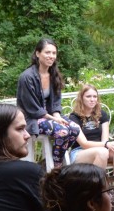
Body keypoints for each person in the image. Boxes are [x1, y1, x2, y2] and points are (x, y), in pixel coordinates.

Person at [16, 38, 81, 167]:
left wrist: (57, 115)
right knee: (62, 131)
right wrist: (53, 118)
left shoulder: (53, 74)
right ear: (37, 53)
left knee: (75, 129)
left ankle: (51, 161)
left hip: (50, 116)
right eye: (47, 52)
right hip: (32, 118)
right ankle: (57, 167)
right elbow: (32, 108)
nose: (51, 56)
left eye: (54, 53)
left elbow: (56, 101)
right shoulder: (27, 77)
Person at [68, 85, 114, 188]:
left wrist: (107, 144)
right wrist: (106, 144)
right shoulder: (74, 117)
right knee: (102, 152)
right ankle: (99, 190)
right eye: (88, 96)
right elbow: (84, 144)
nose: (92, 99)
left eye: (95, 97)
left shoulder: (102, 115)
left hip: (101, 149)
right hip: (79, 152)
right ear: (81, 98)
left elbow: (105, 140)